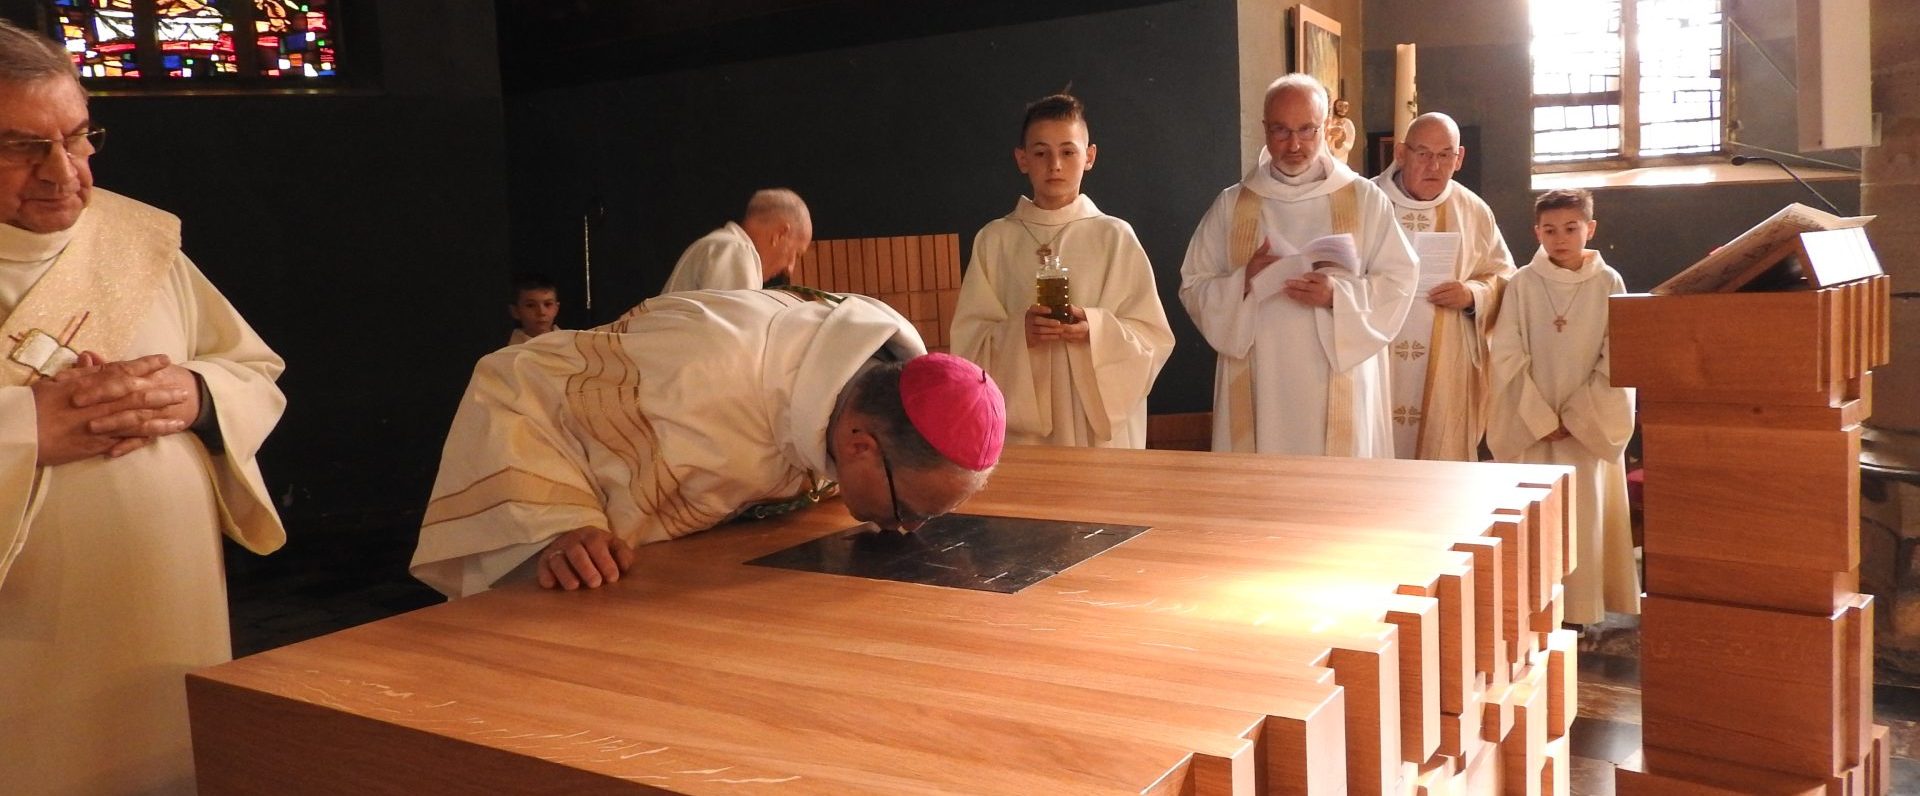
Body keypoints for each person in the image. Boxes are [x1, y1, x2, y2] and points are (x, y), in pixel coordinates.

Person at [0, 21, 287, 795]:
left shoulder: (137, 241)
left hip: (166, 612)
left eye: (78, 137)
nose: (62, 171)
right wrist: (28, 429)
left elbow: (252, 371)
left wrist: (196, 395)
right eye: (20, 146)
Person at [411, 287, 1006, 598]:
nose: (906, 530)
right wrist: (565, 523)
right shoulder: (703, 374)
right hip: (593, 586)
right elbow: (513, 376)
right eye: (910, 511)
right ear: (858, 446)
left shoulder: (873, 371)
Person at [1178, 74, 1417, 456]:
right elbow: (1194, 284)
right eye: (1281, 131)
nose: (1294, 145)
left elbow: (1400, 279)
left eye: (1307, 130)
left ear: (1327, 128)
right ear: (1264, 130)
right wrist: (1244, 279)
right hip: (1261, 376)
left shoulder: (1364, 198)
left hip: (1338, 373)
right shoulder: (1233, 204)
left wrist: (1336, 295)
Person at [950, 92, 1173, 448]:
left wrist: (1094, 328)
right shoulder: (995, 240)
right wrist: (1019, 333)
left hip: (1095, 424)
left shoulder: (1114, 236)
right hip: (1025, 428)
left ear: (1090, 157)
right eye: (1041, 152)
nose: (1055, 164)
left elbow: (1152, 337)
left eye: (1068, 151)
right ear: (1022, 159)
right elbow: (969, 342)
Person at [1487, 188, 1636, 627]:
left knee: (1582, 515)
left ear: (1590, 229)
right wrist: (1538, 417)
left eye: (1571, 228)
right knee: (1534, 517)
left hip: (1584, 432)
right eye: (1549, 230)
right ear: (1537, 232)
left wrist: (1576, 416)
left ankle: (1580, 611)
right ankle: (1530, 607)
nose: (1560, 238)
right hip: (1533, 427)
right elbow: (1506, 354)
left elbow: (1620, 355)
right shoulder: (1522, 284)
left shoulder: (1609, 283)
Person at [1373, 112, 1516, 460]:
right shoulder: (1366, 202)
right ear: (1401, 153)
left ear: (1459, 158)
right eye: (1423, 154)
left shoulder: (1474, 211)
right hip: (1376, 359)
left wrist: (1472, 295)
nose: (1433, 166)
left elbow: (1506, 279)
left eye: (1444, 155)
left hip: (1446, 368)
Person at [658, 188, 812, 295]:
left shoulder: (719, 244)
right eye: (796, 254)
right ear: (780, 234)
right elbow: (737, 337)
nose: (790, 269)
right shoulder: (735, 250)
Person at [506, 272, 561, 344]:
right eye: (531, 305)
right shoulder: (510, 353)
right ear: (515, 311)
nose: (541, 312)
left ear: (556, 308)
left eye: (548, 304)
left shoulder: (574, 343)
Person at [1325, 97, 1356, 165]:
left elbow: (1349, 144)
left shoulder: (1348, 124)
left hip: (1339, 160)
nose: (1343, 109)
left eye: (1346, 107)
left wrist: (1339, 143)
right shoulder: (1328, 122)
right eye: (1340, 106)